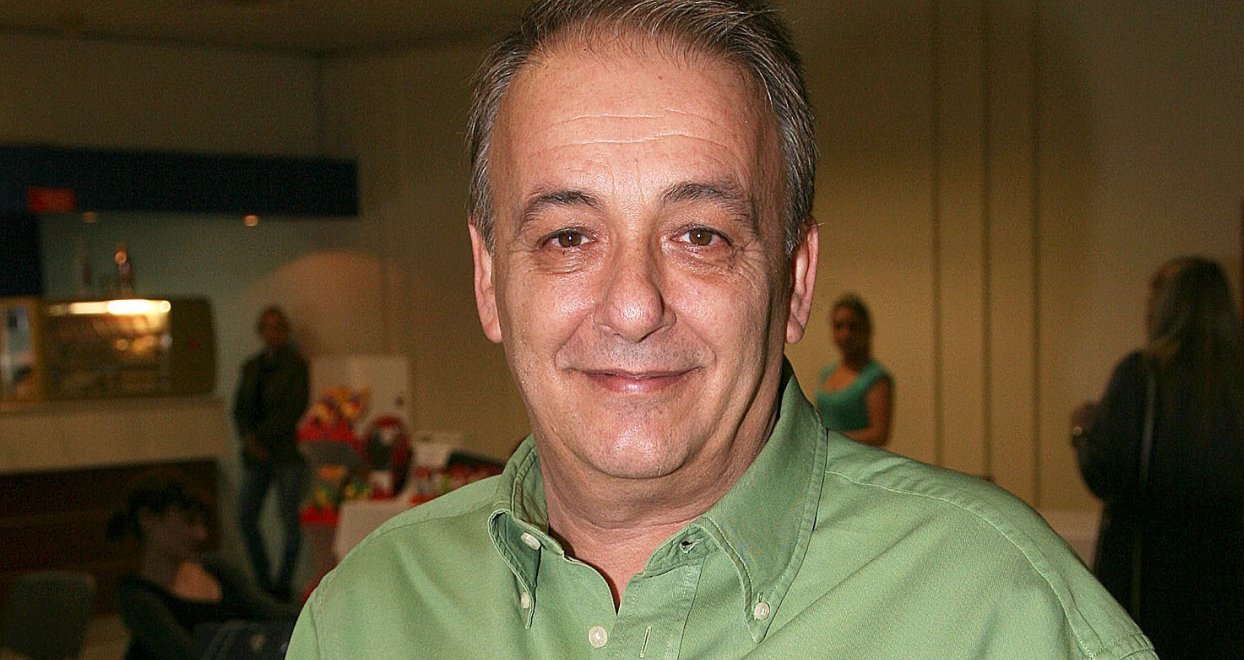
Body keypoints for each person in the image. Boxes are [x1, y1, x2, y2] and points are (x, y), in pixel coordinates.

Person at [290, 2, 1154, 657]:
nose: (634, 305)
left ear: (796, 279)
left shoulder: (1003, 613)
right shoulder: (365, 619)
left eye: (700, 236)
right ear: (489, 280)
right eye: (568, 237)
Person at [1070, 256, 1244, 659]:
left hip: (1150, 586)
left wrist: (1082, 433)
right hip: (1227, 590)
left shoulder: (1142, 376)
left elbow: (1106, 475)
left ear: (1169, 309)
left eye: (1153, 303)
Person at [108, 471, 298, 660]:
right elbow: (186, 653)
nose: (201, 534)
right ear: (147, 520)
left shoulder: (216, 569)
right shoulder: (135, 594)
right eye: (189, 521)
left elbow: (271, 612)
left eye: (201, 523)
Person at [232, 305, 310, 602]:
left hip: (284, 452)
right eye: (267, 327)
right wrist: (248, 439)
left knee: (290, 520)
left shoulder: (295, 366)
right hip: (257, 454)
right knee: (245, 516)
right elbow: (240, 408)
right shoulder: (253, 366)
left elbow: (292, 409)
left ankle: (282, 585)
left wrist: (260, 436)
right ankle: (263, 582)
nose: (272, 333)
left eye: (277, 327)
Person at [816, 293, 893, 445]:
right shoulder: (828, 373)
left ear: (866, 329)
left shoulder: (876, 378)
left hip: (858, 457)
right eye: (839, 326)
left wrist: (834, 439)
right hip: (827, 455)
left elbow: (879, 435)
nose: (845, 334)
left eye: (853, 326)